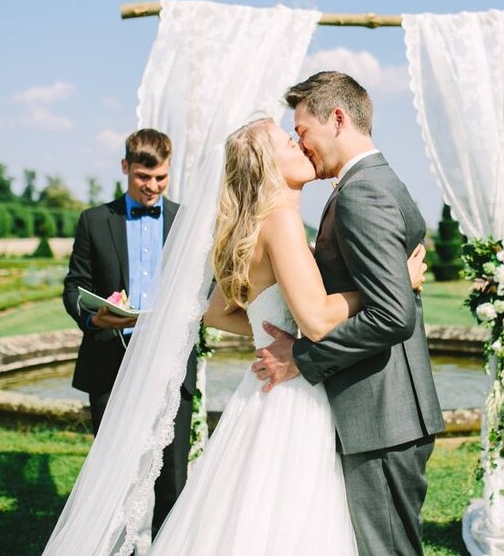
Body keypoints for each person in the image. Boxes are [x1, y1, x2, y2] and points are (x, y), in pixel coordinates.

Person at [145, 117, 427, 555]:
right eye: (287, 141)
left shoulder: (252, 225)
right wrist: (394, 282)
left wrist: (266, 334)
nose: (299, 144)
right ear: (268, 165)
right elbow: (315, 320)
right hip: (294, 398)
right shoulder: (282, 222)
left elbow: (216, 312)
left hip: (260, 392)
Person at [253, 71, 446, 555]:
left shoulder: (363, 192)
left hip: (381, 414)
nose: (302, 145)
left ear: (337, 119)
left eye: (304, 132)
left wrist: (302, 358)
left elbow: (392, 315)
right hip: (384, 410)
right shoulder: (374, 180)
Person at [62, 128, 195, 538]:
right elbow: (73, 287)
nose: (152, 187)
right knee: (113, 470)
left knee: (172, 474)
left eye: (160, 179)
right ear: (125, 168)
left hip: (171, 364)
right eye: (143, 177)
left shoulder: (186, 221)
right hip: (108, 362)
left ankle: (167, 545)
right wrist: (93, 318)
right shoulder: (93, 221)